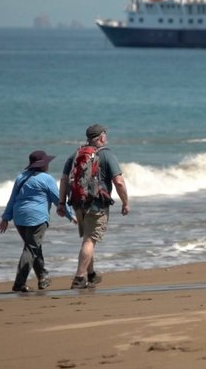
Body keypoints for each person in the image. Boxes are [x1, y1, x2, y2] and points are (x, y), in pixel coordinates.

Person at [57, 124, 130, 289]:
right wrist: (126, 203)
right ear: (102, 137)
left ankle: (91, 274)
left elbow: (63, 180)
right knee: (90, 240)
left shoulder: (75, 154)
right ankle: (79, 277)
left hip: (77, 204)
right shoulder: (106, 155)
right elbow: (118, 181)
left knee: (87, 240)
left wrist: (62, 203)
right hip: (97, 205)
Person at [0, 150, 62, 292]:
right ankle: (19, 283)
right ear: (43, 164)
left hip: (19, 217)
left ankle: (42, 278)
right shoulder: (47, 178)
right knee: (31, 249)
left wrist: (5, 217)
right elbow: (58, 199)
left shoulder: (21, 177)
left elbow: (12, 198)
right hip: (37, 218)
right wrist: (71, 215)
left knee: (33, 247)